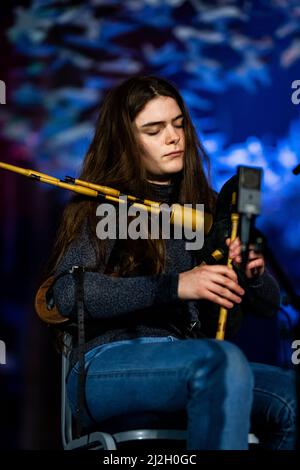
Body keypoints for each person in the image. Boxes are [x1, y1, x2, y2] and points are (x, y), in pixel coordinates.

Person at [46, 76, 297, 450]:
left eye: (179, 124)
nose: (173, 137)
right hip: (106, 365)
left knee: (291, 396)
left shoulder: (210, 207)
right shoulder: (103, 204)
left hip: (196, 358)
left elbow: (269, 305)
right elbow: (66, 292)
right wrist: (176, 285)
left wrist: (251, 274)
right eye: (154, 129)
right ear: (126, 140)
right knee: (219, 360)